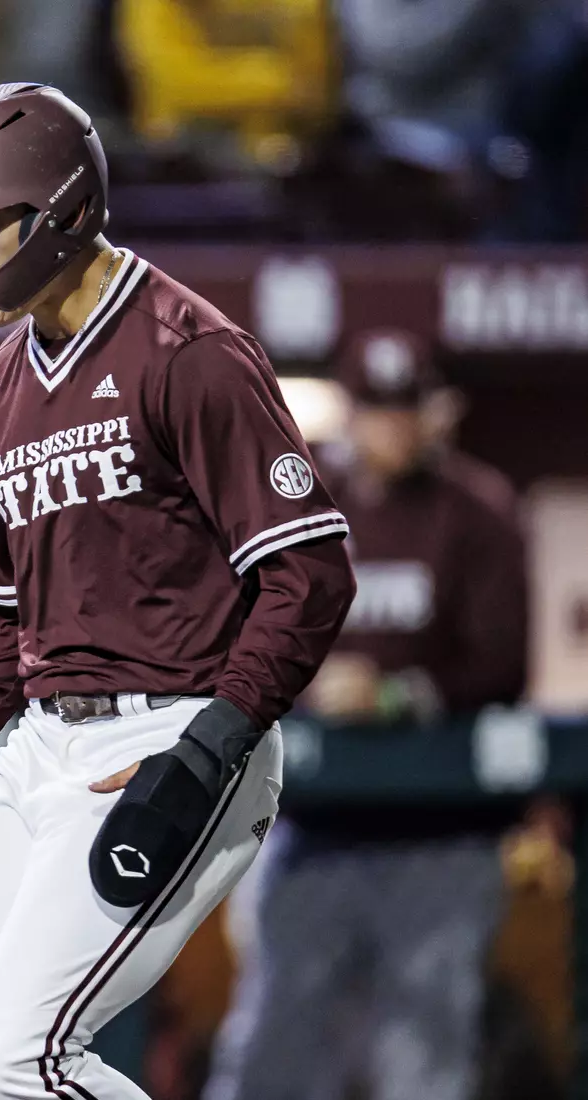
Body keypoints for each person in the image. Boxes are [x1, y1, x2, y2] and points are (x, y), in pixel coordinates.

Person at [0, 82, 357, 1100]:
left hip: (177, 732)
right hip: (39, 744)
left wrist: (210, 747)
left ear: (61, 208)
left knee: (15, 1056)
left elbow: (309, 572)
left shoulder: (189, 353)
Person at [203, 328, 529, 1100]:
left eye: (408, 408)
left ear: (439, 413)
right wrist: (307, 680)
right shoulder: (303, 503)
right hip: (309, 826)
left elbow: (502, 667)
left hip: (441, 831)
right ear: (350, 412)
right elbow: (231, 627)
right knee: (274, 1049)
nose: (394, 427)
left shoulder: (478, 511)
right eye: (378, 409)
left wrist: (390, 697)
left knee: (424, 1064)